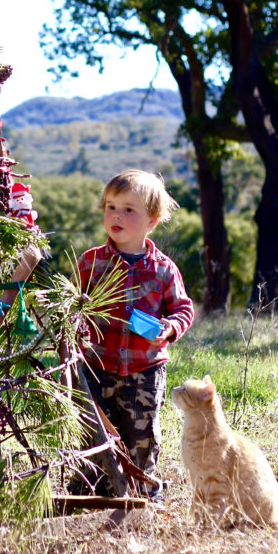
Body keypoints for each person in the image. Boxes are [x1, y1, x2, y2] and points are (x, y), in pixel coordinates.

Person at [76, 168, 194, 498]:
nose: (117, 215)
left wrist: (169, 328)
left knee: (142, 434)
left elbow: (183, 309)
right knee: (94, 428)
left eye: (129, 209)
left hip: (144, 368)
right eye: (111, 207)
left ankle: (143, 489)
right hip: (97, 365)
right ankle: (93, 486)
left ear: (152, 221)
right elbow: (76, 306)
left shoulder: (163, 269)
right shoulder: (91, 263)